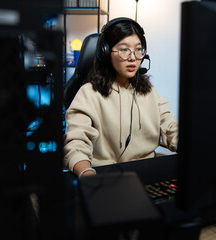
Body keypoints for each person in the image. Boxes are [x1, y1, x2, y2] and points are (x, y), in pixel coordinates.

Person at [63, 17, 178, 177]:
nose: (133, 57)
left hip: (146, 173)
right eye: (124, 50)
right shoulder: (89, 93)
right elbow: (76, 143)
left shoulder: (148, 90)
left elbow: (170, 129)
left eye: (138, 49)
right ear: (105, 51)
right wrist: (87, 174)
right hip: (105, 177)